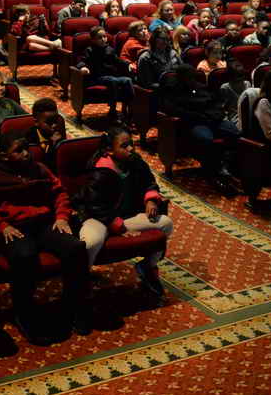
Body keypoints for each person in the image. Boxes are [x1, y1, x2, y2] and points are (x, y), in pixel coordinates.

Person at [0, 131, 91, 343]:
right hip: (12, 227)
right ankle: (24, 312)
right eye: (19, 151)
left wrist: (62, 217)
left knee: (76, 248)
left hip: (43, 222)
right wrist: (0, 225)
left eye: (26, 148)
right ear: (4, 155)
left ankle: (74, 306)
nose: (26, 153)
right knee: (25, 255)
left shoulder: (38, 168)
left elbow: (59, 193)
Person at [75, 126, 172, 299]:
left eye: (131, 144)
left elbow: (149, 182)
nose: (130, 149)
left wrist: (150, 199)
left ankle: (147, 267)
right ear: (109, 150)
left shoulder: (135, 161)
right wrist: (118, 227)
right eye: (124, 146)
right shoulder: (100, 170)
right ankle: (80, 280)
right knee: (91, 242)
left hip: (127, 216)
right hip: (99, 218)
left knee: (165, 224)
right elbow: (94, 206)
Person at [160, 64, 241, 196]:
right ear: (181, 78)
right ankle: (213, 170)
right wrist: (198, 115)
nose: (191, 79)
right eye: (188, 77)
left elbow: (216, 102)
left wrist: (217, 113)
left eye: (192, 77)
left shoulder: (200, 87)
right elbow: (173, 109)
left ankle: (227, 166)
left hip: (213, 119)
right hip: (195, 122)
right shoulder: (173, 90)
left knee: (235, 132)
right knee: (206, 138)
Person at [77, 26, 134, 121]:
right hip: (96, 77)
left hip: (110, 76)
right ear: (93, 40)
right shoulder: (89, 50)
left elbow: (118, 61)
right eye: (100, 37)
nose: (103, 39)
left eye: (104, 36)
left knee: (128, 80)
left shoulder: (109, 49)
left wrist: (128, 64)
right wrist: (83, 67)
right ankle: (112, 110)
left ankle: (130, 110)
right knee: (113, 80)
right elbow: (82, 61)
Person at [26, 97, 66, 170]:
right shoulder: (29, 138)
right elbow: (40, 164)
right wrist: (52, 146)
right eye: (49, 122)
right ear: (36, 122)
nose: (54, 125)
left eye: (55, 121)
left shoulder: (59, 132)